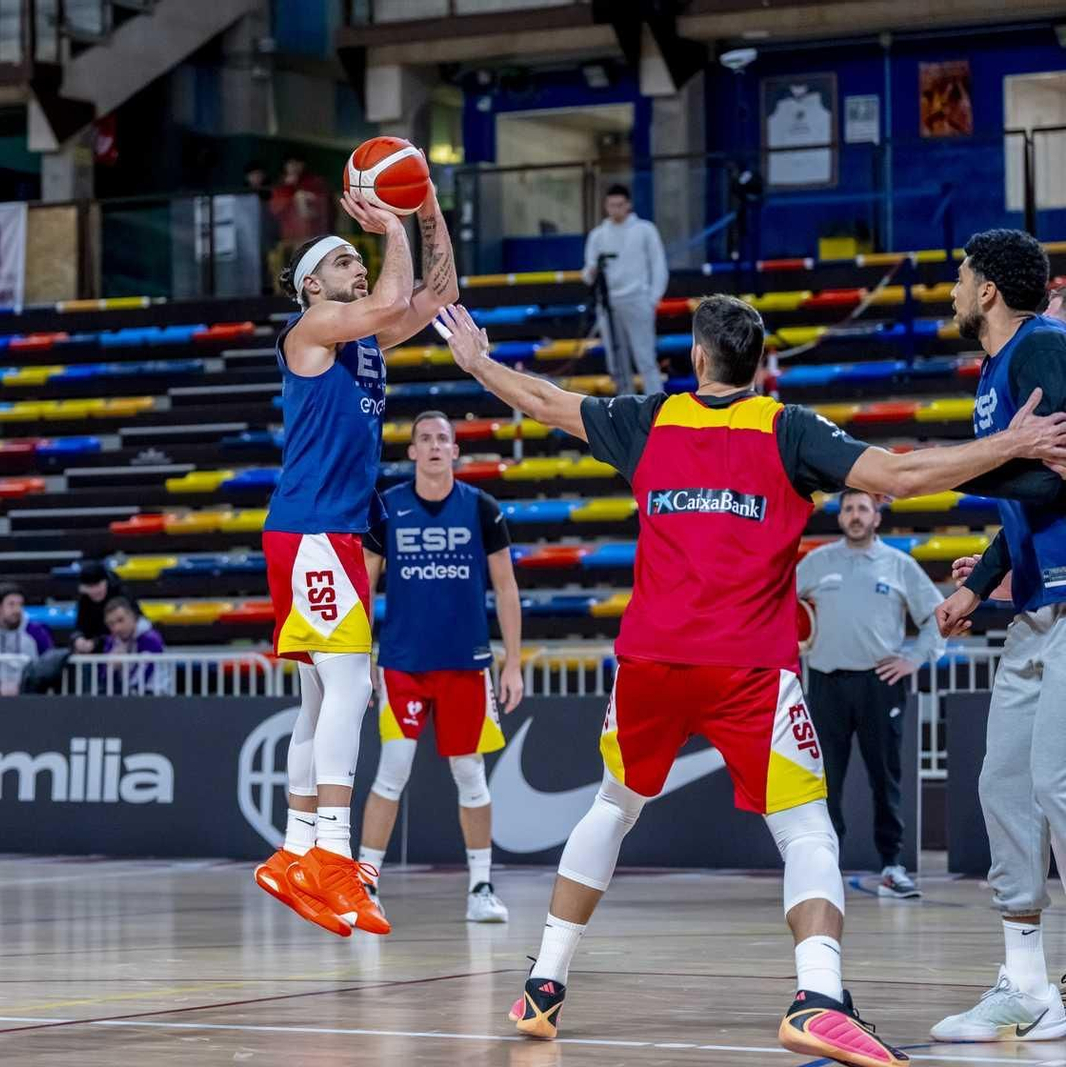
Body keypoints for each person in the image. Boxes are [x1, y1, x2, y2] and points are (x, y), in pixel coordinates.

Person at [435, 293, 1066, 1065]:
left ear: (697, 359)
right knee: (806, 831)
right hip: (745, 670)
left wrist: (476, 362)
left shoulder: (650, 419)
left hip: (651, 663)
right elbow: (902, 476)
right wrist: (1014, 440)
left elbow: (542, 399)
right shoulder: (787, 428)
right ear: (762, 365)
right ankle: (818, 996)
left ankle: (543, 984)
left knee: (613, 804)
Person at [252, 179, 459, 940]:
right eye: (345, 259)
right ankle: (335, 856)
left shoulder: (363, 337)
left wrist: (426, 210)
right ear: (314, 283)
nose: (358, 266)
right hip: (314, 528)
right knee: (350, 685)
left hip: (321, 530)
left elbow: (436, 294)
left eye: (357, 257)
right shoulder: (313, 326)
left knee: (318, 699)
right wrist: (391, 225)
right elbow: (392, 289)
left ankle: (294, 849)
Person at [925, 228, 1066, 1044]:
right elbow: (1026, 506)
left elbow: (1052, 468)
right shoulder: (993, 368)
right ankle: (1023, 982)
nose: (952, 286)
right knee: (1003, 785)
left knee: (1056, 778)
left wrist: (957, 466)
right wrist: (977, 588)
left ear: (988, 292)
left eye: (959, 275)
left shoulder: (1045, 346)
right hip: (1032, 608)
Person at [356, 410, 525, 923]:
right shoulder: (387, 508)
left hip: (466, 662)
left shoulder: (482, 509)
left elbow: (507, 588)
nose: (433, 446)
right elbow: (363, 587)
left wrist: (513, 663)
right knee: (393, 768)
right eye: (424, 438)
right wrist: (361, 658)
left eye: (442, 439)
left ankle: (481, 888)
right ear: (412, 452)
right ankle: (365, 887)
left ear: (455, 450)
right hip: (403, 662)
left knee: (470, 773)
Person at [797, 488, 946, 899]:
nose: (856, 514)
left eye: (863, 507)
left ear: (876, 517)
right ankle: (823, 868)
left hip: (880, 685)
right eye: (848, 508)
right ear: (841, 516)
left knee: (886, 778)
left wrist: (914, 659)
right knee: (823, 781)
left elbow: (937, 618)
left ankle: (892, 866)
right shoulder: (815, 563)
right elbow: (777, 609)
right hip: (826, 684)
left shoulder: (899, 566)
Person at [582, 184, 668, 397]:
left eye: (620, 205)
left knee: (645, 357)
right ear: (605, 206)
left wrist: (652, 299)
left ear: (628, 205)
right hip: (609, 304)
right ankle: (625, 406)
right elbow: (587, 272)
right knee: (616, 360)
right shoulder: (598, 236)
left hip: (638, 300)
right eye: (612, 205)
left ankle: (656, 406)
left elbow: (659, 266)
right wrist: (592, 272)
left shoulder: (645, 230)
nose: (616, 209)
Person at [0, 582, 55, 695]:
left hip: (29, 695)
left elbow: (49, 663)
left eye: (20, 604)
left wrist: (24, 685)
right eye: (11, 604)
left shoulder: (37, 630)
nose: (17, 610)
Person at [98, 596, 171, 696]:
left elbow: (142, 678)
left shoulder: (151, 638)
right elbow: (103, 680)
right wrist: (112, 667)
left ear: (133, 616)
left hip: (155, 696)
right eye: (111, 624)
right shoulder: (112, 641)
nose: (117, 628)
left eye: (121, 620)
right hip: (124, 697)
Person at [69, 560, 139, 654]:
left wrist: (97, 642)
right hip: (94, 648)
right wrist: (78, 638)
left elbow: (127, 627)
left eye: (97, 585)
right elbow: (80, 625)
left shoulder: (121, 594)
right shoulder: (84, 599)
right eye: (90, 587)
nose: (94, 591)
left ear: (106, 581)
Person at [269, 154, 331, 247]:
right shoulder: (280, 185)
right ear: (285, 166)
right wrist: (289, 188)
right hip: (288, 235)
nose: (294, 167)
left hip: (313, 234)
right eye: (291, 164)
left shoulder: (313, 181)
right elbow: (275, 208)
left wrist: (309, 197)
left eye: (298, 163)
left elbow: (324, 202)